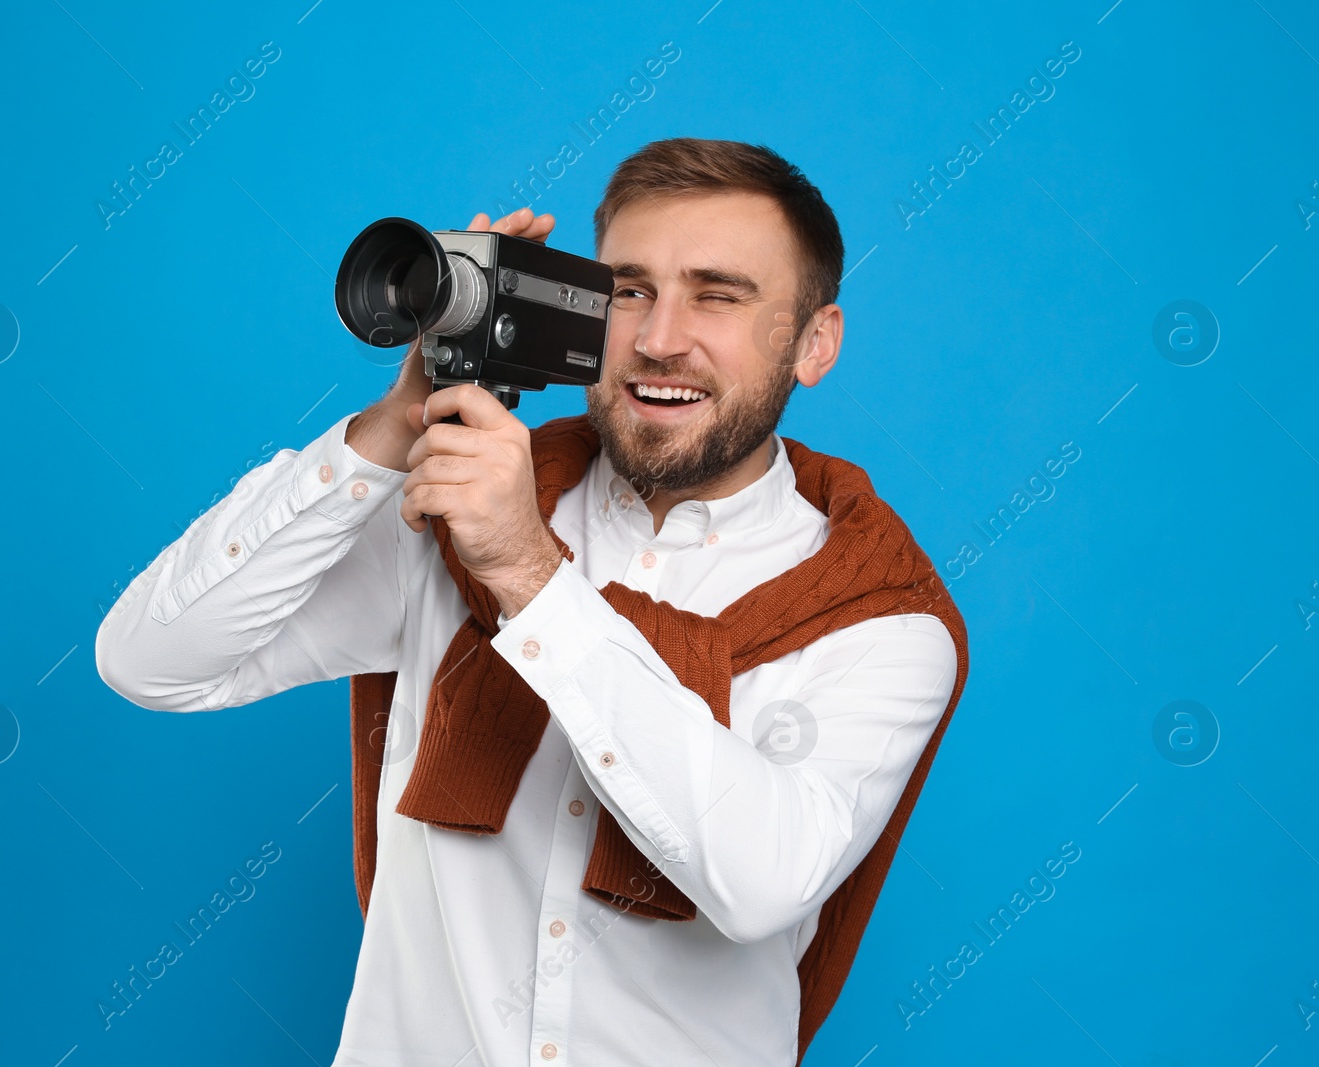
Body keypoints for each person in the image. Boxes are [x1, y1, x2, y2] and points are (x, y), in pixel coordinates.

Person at [95, 137, 968, 1066]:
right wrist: (388, 430)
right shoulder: (453, 507)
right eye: (629, 289)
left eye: (718, 294)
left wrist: (530, 575)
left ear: (814, 343)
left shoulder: (882, 615)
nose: (661, 337)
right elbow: (150, 659)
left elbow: (759, 879)